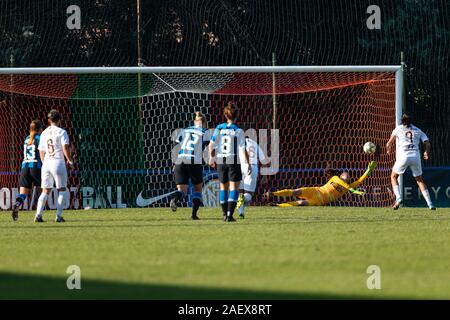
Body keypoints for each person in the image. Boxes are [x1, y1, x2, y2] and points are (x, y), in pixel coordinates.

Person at [266, 161, 377, 206]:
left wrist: (368, 170)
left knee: (300, 203)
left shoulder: (347, 186)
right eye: (344, 174)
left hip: (320, 200)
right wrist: (355, 191)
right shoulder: (335, 178)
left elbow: (359, 181)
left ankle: (277, 205)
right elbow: (347, 187)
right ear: (341, 176)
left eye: (347, 176)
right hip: (315, 190)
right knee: (294, 191)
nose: (346, 175)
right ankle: (273, 194)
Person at [209, 102, 251, 222]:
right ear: (236, 115)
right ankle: (229, 215)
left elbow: (211, 145)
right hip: (233, 160)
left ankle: (223, 214)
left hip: (221, 160)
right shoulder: (238, 130)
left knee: (223, 188)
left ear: (225, 115)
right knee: (234, 189)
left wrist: (211, 158)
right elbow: (243, 149)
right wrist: (247, 164)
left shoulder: (219, 128)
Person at [386, 113, 435, 210]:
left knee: (393, 176)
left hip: (403, 156)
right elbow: (427, 144)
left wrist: (388, 149)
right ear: (411, 121)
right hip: (415, 156)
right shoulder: (418, 130)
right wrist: (426, 152)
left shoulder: (398, 129)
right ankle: (430, 204)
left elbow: (389, 143)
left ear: (402, 121)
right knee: (419, 180)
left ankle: (398, 198)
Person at [34, 110, 74, 223]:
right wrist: (70, 161)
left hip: (46, 163)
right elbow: (65, 148)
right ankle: (58, 216)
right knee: (62, 190)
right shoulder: (62, 132)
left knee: (45, 191)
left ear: (49, 120)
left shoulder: (44, 133)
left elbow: (41, 151)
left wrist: (45, 164)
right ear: (59, 120)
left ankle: (38, 215)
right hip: (58, 162)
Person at [170, 111, 207, 220]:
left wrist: (174, 162)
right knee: (197, 189)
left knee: (182, 190)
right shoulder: (205, 132)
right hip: (193, 161)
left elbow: (176, 146)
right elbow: (209, 148)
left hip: (180, 160)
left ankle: (175, 199)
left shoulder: (184, 130)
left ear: (194, 121)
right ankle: (194, 215)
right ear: (204, 122)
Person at [11, 120, 44, 221]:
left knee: (23, 193)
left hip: (25, 167)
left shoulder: (26, 139)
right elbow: (42, 152)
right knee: (44, 191)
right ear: (39, 129)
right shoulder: (40, 138)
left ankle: (17, 204)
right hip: (36, 167)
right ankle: (39, 215)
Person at [236, 136, 267, 218]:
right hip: (251, 167)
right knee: (248, 195)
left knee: (240, 193)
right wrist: (264, 175)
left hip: (239, 167)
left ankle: (241, 213)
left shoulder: (238, 143)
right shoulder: (255, 144)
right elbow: (263, 160)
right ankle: (241, 205)